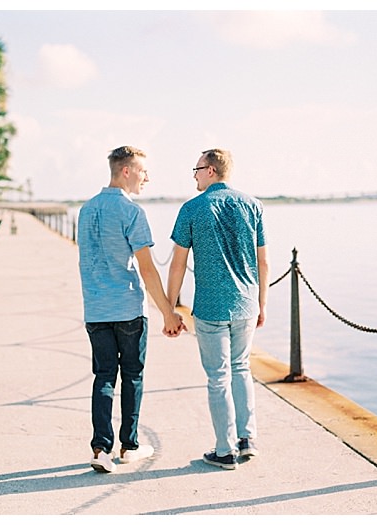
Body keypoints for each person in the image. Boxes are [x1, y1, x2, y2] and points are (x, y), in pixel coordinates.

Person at [77, 145, 185, 473]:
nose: (147, 177)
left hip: (95, 309)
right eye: (142, 171)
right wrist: (168, 311)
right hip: (127, 308)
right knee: (133, 377)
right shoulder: (131, 211)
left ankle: (100, 448)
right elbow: (148, 270)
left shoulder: (85, 210)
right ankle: (129, 446)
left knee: (104, 376)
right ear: (126, 171)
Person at [167, 148, 269, 470]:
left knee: (218, 377)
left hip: (211, 306)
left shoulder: (192, 209)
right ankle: (247, 439)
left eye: (196, 169)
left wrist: (170, 308)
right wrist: (262, 303)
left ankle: (225, 450)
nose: (194, 175)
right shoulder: (253, 205)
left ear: (210, 170)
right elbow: (263, 261)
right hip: (246, 304)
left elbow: (178, 264)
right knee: (241, 369)